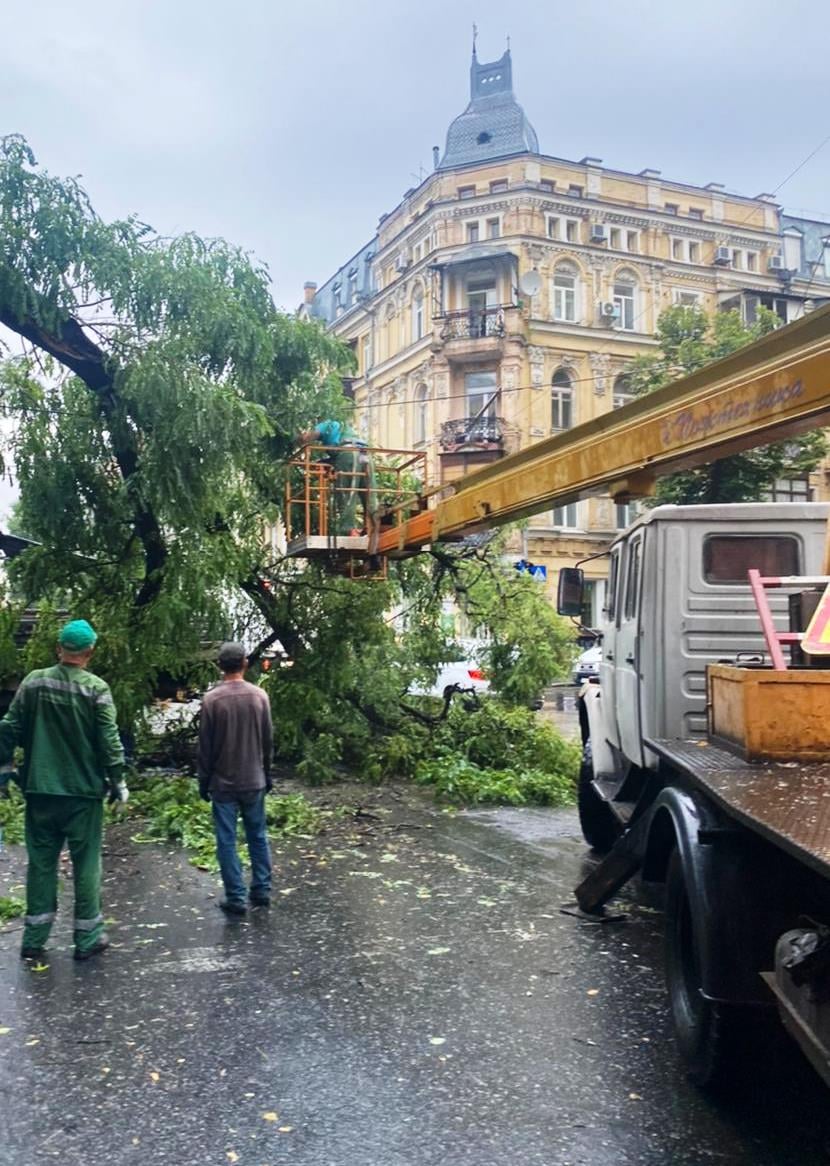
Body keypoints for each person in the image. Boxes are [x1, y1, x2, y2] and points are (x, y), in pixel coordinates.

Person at [0, 619, 127, 961]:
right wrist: (118, 781)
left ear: (59, 648)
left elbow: (8, 727)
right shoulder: (96, 688)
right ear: (90, 652)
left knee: (41, 864)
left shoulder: (33, 682)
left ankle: (34, 939)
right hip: (82, 794)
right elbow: (109, 741)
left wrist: (4, 769)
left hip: (40, 790)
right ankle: (87, 940)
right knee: (86, 865)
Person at [197, 642, 274, 915]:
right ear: (244, 663)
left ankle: (236, 897)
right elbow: (267, 741)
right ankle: (262, 890)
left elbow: (205, 748)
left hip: (223, 783)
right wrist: (268, 773)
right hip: (254, 780)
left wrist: (202, 782)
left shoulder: (212, 700)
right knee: (258, 835)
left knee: (226, 840)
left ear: (219, 666)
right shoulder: (260, 697)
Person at [299, 418, 379, 553]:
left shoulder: (327, 424)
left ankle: (348, 531)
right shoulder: (345, 429)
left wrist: (296, 439)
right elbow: (335, 457)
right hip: (365, 455)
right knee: (370, 495)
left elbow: (310, 436)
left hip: (349, 454)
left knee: (346, 494)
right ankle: (376, 527)